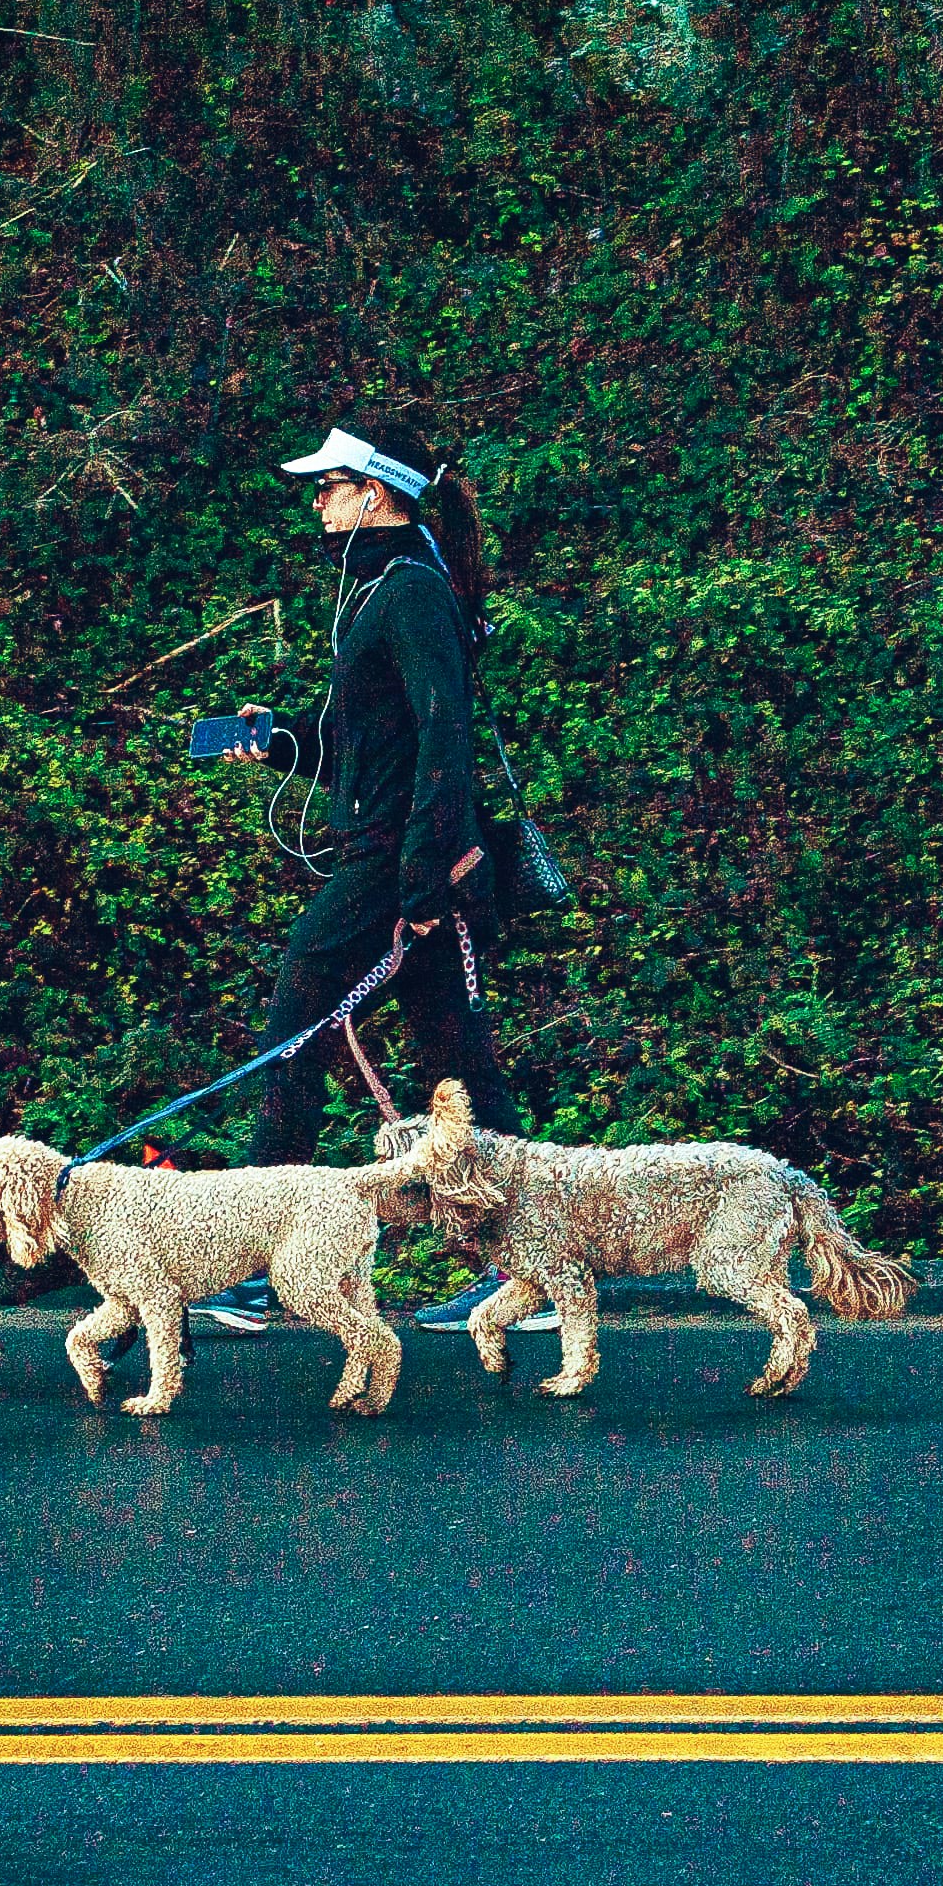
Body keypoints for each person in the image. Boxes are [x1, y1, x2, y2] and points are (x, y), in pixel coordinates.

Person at [196, 415, 550, 1341]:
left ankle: (257, 1267)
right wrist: (278, 743)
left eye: (329, 485)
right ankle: (537, 1271)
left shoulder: (411, 595)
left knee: (290, 1044)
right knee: (460, 1069)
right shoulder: (376, 595)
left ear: (375, 495)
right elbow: (367, 755)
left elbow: (446, 743)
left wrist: (424, 886)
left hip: (394, 870)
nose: (315, 499)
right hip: (395, 861)